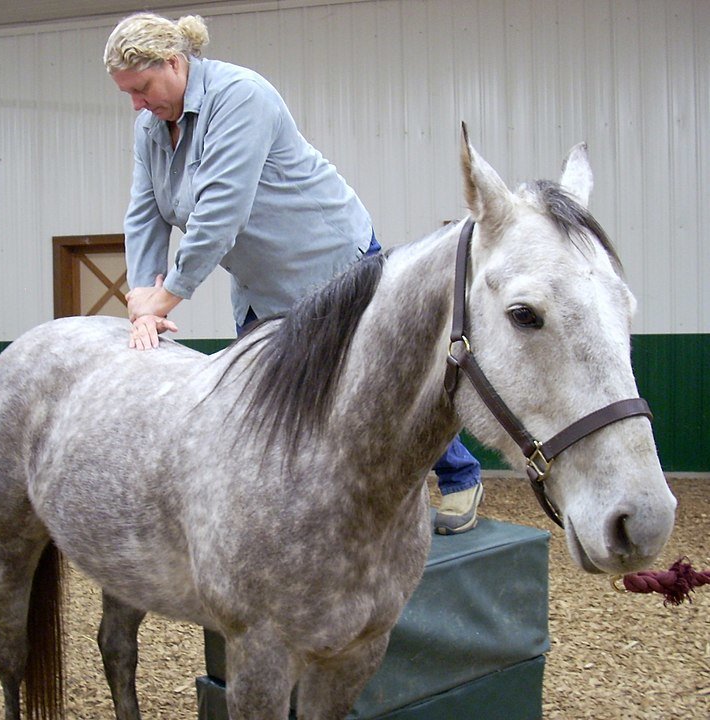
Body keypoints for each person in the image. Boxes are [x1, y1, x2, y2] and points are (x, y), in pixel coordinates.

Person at [103, 11, 481, 533]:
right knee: (266, 401)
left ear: (174, 62)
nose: (137, 104)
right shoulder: (149, 128)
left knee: (379, 380)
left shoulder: (241, 96)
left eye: (142, 88)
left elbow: (219, 214)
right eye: (128, 94)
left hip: (332, 260)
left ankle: (460, 477)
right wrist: (141, 295)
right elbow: (145, 213)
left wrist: (169, 296)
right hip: (260, 285)